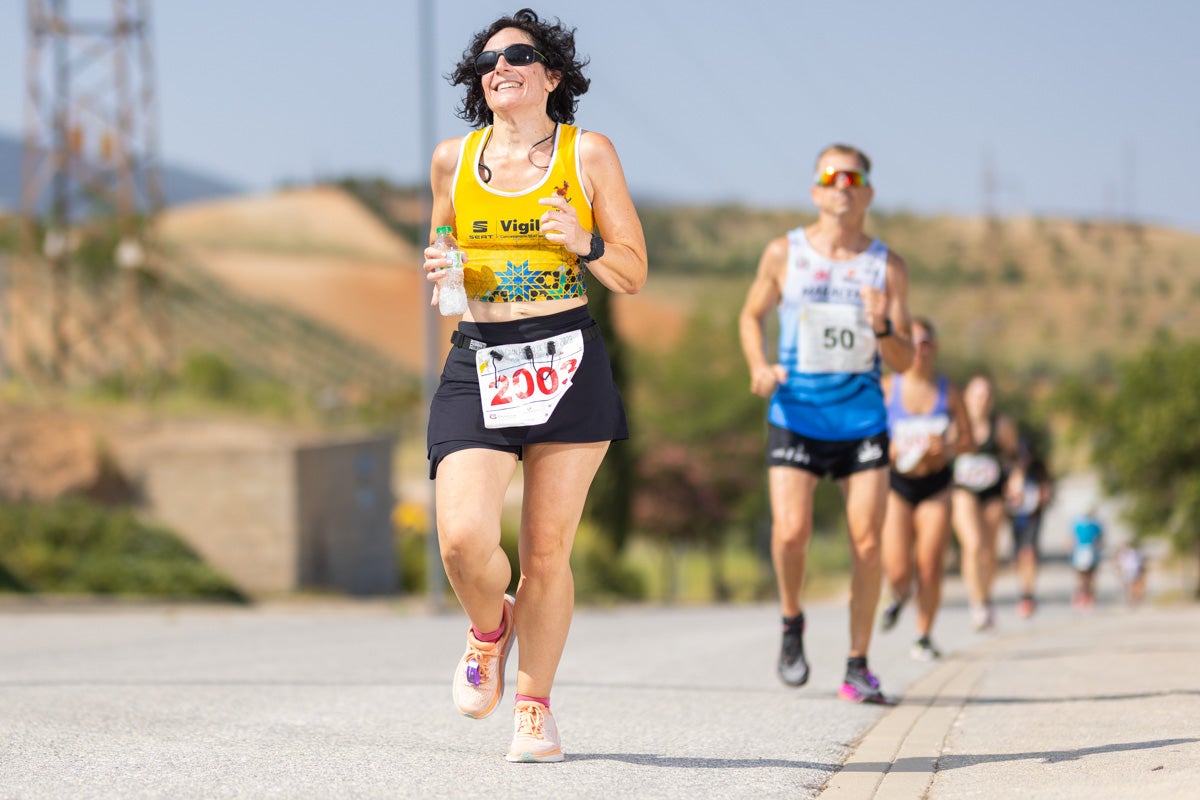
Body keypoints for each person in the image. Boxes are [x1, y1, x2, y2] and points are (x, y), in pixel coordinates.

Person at [423, 8, 647, 763]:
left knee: (546, 552)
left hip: (564, 360)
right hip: (479, 357)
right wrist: (443, 273)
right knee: (460, 541)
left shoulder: (589, 155)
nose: (500, 68)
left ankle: (534, 706)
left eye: (519, 56)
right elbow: (443, 249)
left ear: (553, 75)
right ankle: (491, 628)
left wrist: (582, 243)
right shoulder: (453, 159)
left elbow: (633, 270)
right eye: (487, 62)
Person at [739, 143, 914, 704]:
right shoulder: (783, 253)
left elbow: (907, 360)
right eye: (830, 177)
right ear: (816, 191)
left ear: (867, 193)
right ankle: (792, 621)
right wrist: (759, 365)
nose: (841, 185)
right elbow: (750, 315)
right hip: (797, 412)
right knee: (791, 534)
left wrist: (883, 325)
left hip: (861, 418)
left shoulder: (887, 266)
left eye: (852, 177)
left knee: (868, 544)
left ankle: (857, 665)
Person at [877, 318, 971, 661]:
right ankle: (899, 595)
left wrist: (945, 449)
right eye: (913, 343)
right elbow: (866, 438)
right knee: (899, 568)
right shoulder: (887, 390)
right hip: (897, 485)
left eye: (926, 343)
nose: (920, 350)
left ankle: (924, 634)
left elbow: (969, 440)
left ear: (935, 347)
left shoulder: (950, 392)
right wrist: (890, 451)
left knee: (930, 564)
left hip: (936, 485)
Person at [950, 375, 1019, 630]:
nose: (982, 401)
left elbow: (1015, 457)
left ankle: (986, 595)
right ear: (967, 398)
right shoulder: (955, 424)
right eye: (977, 395)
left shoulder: (1001, 426)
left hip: (993, 491)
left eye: (987, 395)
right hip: (962, 490)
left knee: (989, 551)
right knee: (973, 544)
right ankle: (977, 602)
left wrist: (1016, 478)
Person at [1005, 436, 1053, 619]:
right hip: (1016, 518)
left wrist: (1043, 497)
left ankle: (1028, 594)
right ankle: (1023, 590)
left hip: (1033, 517)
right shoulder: (1009, 470)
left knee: (1029, 553)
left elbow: (1047, 490)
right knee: (1018, 557)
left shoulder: (1038, 470)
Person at [1070, 506, 1104, 610]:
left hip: (1087, 554)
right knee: (1086, 577)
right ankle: (1084, 596)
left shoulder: (1090, 525)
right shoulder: (1083, 525)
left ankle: (1086, 596)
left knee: (1085, 577)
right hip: (1083, 553)